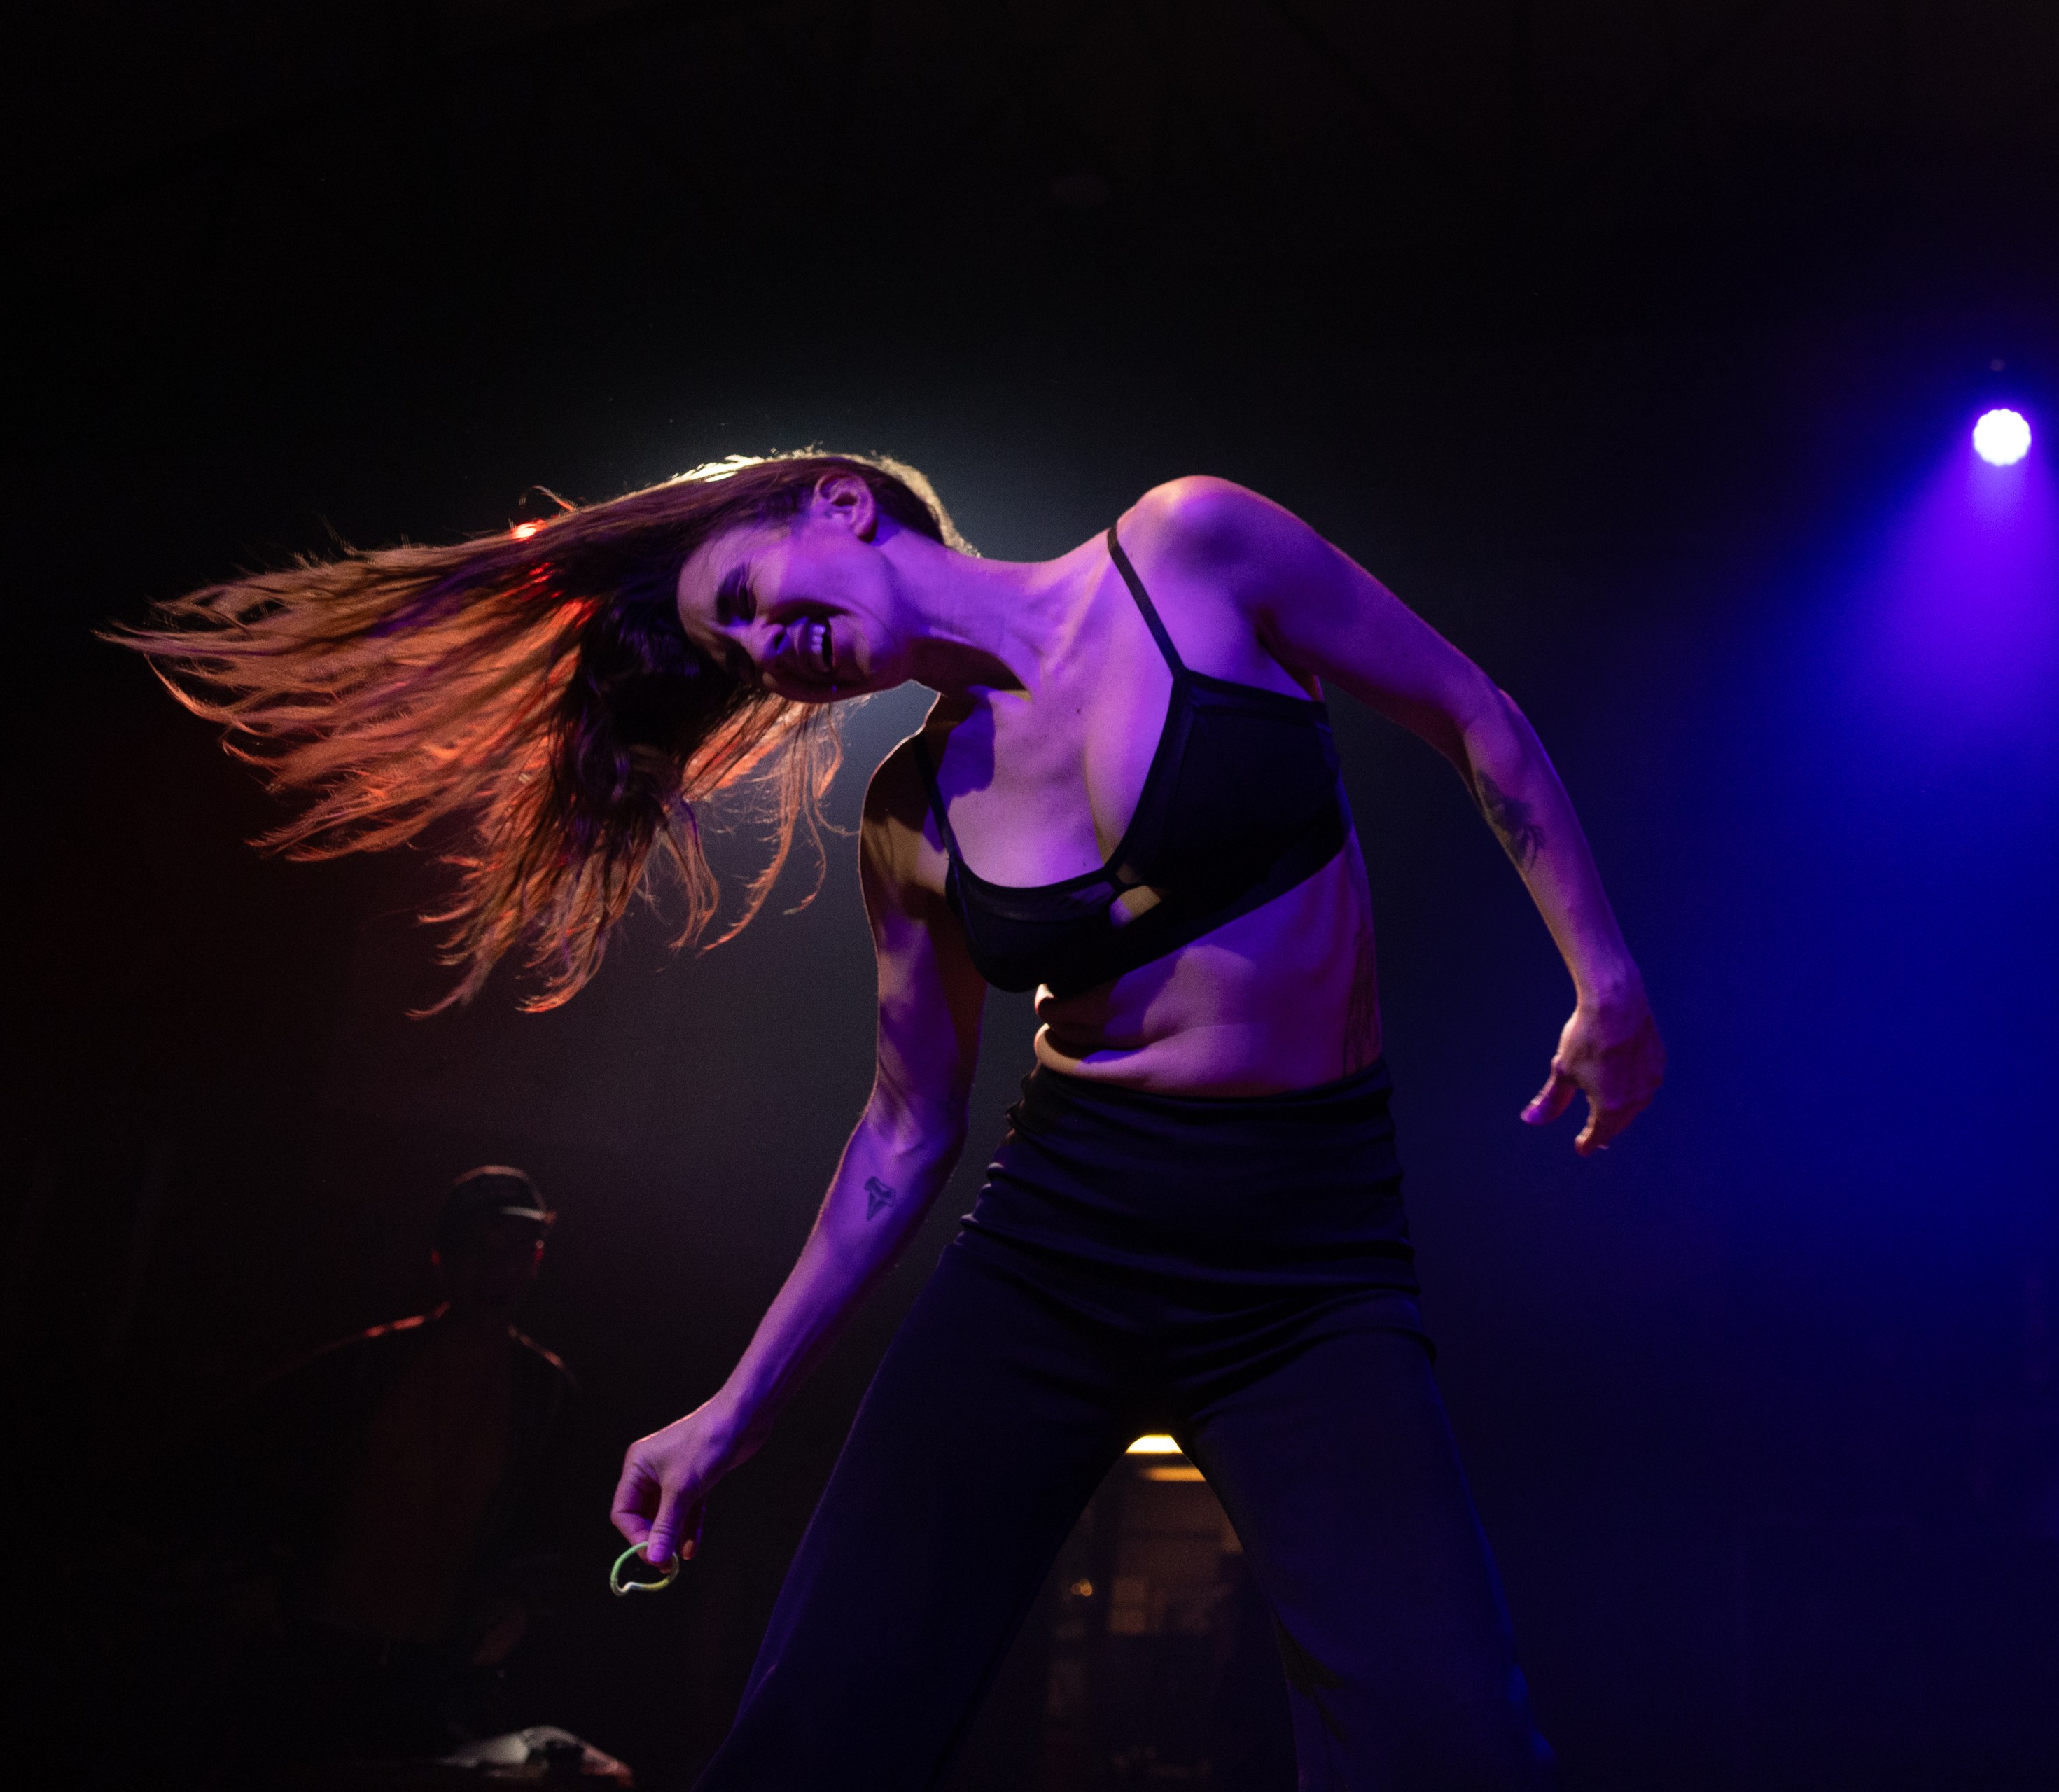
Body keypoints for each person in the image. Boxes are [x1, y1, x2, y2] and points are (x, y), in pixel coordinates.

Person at [120, 451, 1663, 1788]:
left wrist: (1600, 975)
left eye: (746, 594)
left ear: (839, 503)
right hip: (1055, 1251)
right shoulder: (910, 815)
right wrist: (733, 1405)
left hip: (1307, 1258)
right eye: (735, 650)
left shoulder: (1190, 545)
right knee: (826, 1724)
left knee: (1449, 1743)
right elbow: (901, 1132)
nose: (762, 646)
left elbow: (1472, 713)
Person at [152, 1166, 579, 1768]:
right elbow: (229, 1458)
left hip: (433, 1675)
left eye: (515, 1251)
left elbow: (546, 1527)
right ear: (442, 1258)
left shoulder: (545, 1394)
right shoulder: (368, 1366)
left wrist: (518, 1602)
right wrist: (243, 1573)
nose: (497, 1270)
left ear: (535, 1261)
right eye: (477, 1250)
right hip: (314, 1650)